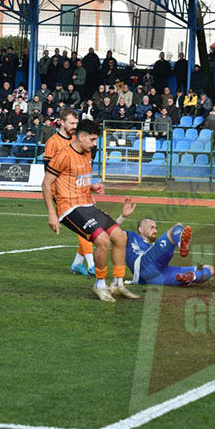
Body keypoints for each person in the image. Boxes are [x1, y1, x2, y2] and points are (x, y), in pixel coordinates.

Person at [42, 119, 138, 302]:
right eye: (92, 139)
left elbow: (76, 178)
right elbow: (46, 183)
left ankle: (118, 284)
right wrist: (52, 214)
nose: (95, 144)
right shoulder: (63, 155)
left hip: (87, 204)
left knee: (120, 237)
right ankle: (100, 284)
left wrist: (92, 187)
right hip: (69, 208)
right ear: (81, 137)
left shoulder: (87, 153)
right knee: (102, 241)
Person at [43, 108, 96, 277]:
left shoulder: (77, 140)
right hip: (63, 193)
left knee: (88, 225)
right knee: (85, 225)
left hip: (79, 191)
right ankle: (92, 264)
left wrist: (89, 187)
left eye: (76, 123)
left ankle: (77, 263)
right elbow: (49, 173)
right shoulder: (53, 142)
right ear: (61, 122)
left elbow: (80, 170)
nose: (75, 126)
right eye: (72, 123)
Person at [116, 199, 214, 286]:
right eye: (152, 227)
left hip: (154, 277)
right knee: (176, 227)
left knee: (210, 269)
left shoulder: (151, 247)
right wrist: (122, 217)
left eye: (156, 228)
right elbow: (111, 232)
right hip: (143, 264)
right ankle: (181, 244)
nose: (155, 230)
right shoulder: (131, 236)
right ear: (140, 229)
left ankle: (193, 277)